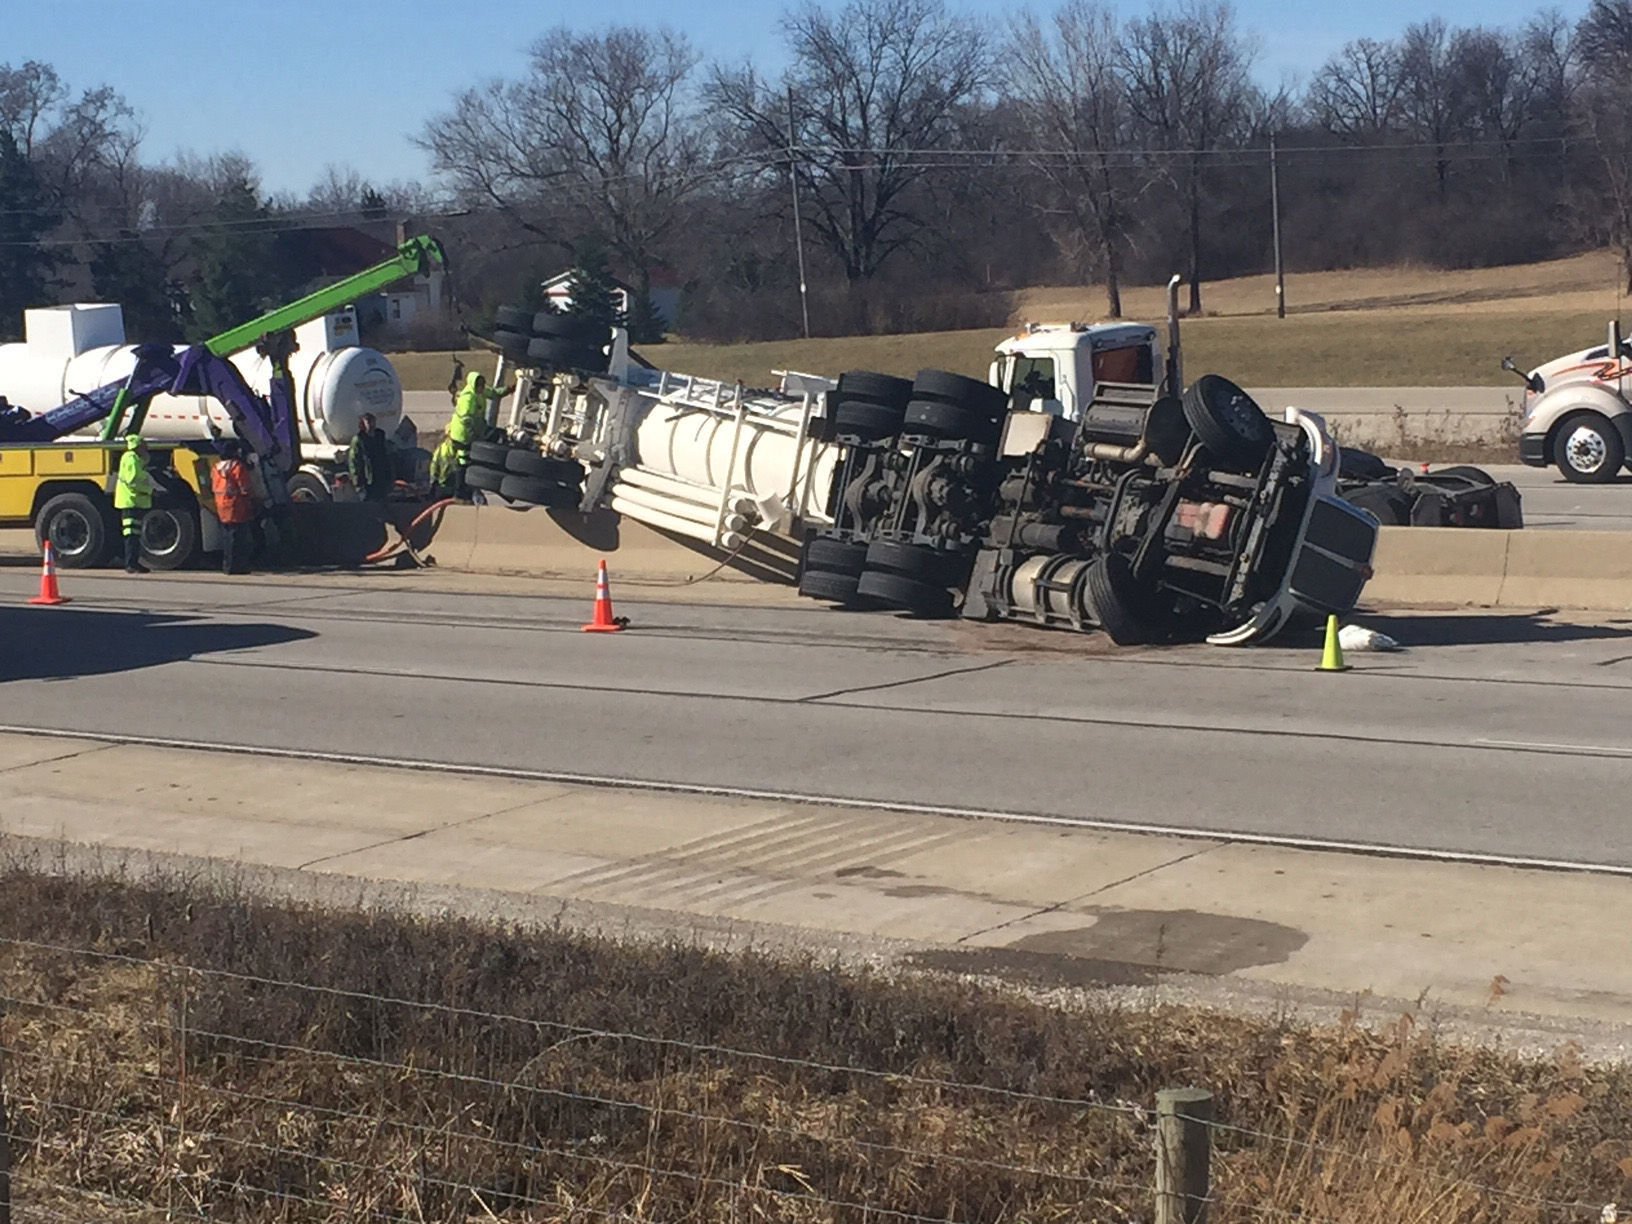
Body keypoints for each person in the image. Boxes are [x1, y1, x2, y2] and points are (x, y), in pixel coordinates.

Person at [445, 371, 509, 494]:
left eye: (482, 385)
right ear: (474, 385)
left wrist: (510, 389)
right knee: (464, 460)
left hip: (474, 431)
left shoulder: (481, 392)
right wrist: (476, 435)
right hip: (462, 435)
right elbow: (466, 419)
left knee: (471, 457)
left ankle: (468, 487)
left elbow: (494, 393)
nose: (481, 388)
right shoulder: (468, 398)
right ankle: (460, 491)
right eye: (479, 386)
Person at [211, 440, 258, 574]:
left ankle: (227, 566)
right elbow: (244, 487)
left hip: (221, 504)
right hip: (236, 505)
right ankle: (238, 566)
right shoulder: (236, 467)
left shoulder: (216, 467)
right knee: (238, 539)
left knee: (227, 537)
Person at [114, 433, 153, 574]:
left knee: (134, 535)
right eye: (143, 445)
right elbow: (133, 480)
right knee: (131, 535)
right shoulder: (131, 459)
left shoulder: (133, 458)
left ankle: (133, 563)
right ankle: (131, 564)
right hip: (131, 501)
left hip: (133, 500)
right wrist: (149, 490)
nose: (146, 447)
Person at [347, 412, 393, 502]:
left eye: (372, 422)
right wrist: (357, 483)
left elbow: (387, 456)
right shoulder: (359, 440)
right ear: (363, 424)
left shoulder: (380, 436)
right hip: (368, 480)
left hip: (381, 477)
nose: (371, 425)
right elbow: (354, 462)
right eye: (368, 422)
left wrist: (390, 476)